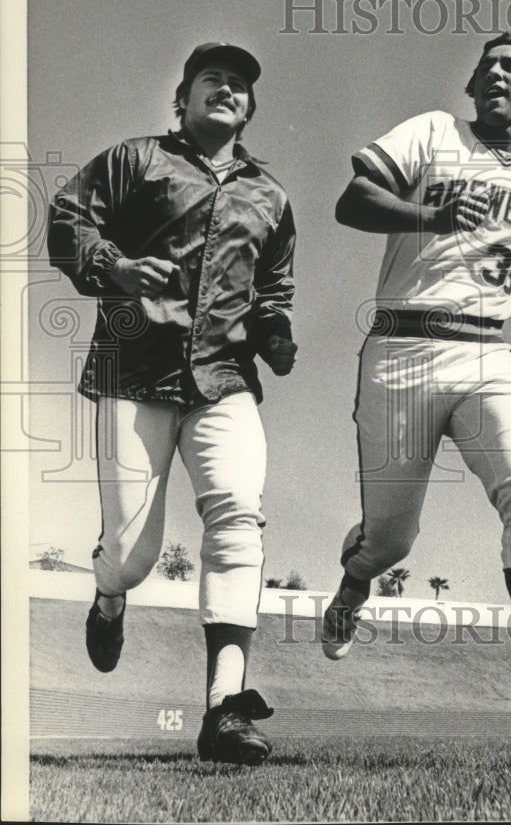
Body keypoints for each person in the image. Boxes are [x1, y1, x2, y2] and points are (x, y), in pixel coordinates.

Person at [321, 31, 511, 753]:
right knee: (393, 540)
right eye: (485, 66)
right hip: (400, 346)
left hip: (486, 351)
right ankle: (356, 578)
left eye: (510, 66)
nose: (493, 74)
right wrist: (430, 215)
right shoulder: (433, 131)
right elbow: (352, 200)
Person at [47, 42, 297, 766]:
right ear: (182, 99)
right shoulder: (135, 160)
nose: (227, 88)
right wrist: (117, 268)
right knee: (133, 557)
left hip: (225, 380)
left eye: (239, 84)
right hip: (134, 371)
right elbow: (67, 219)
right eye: (212, 78)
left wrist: (276, 332)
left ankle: (224, 710)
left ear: (249, 109)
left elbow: (274, 287)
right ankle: (109, 596)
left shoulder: (270, 196)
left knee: (238, 517)